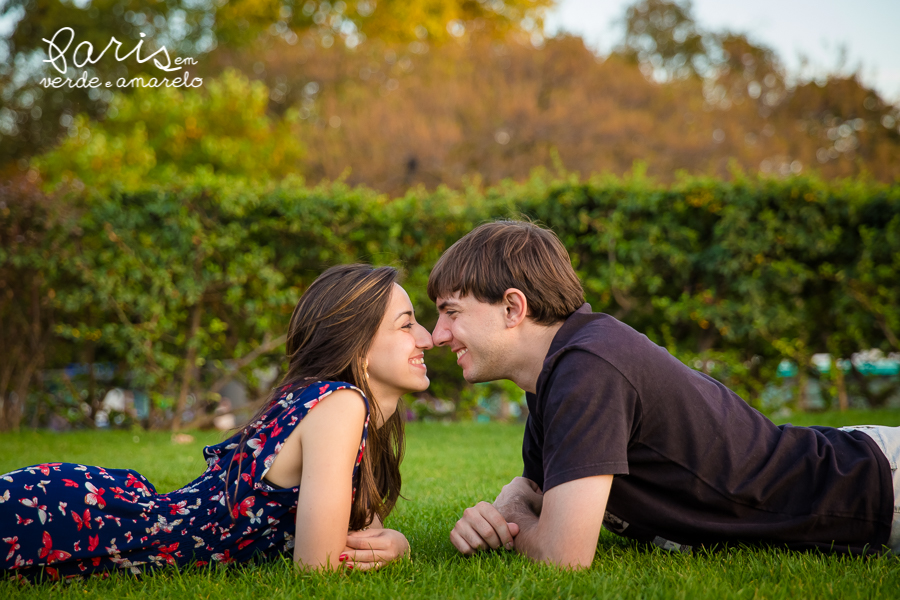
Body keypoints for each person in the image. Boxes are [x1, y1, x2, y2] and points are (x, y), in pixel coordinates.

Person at [428, 220, 900, 568]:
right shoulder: (556, 373)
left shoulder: (588, 368)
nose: (437, 334)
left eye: (451, 312)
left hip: (873, 488)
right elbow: (536, 497)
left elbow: (562, 556)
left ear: (513, 307)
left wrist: (513, 514)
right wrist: (514, 501)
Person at [1, 264, 433, 581]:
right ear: (359, 348)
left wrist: (395, 544)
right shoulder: (341, 404)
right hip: (74, 520)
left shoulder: (332, 407)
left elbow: (361, 535)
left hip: (91, 512)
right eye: (407, 324)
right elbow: (316, 569)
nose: (427, 337)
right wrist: (400, 547)